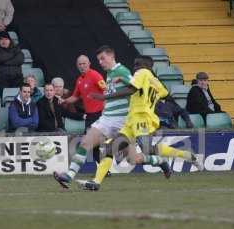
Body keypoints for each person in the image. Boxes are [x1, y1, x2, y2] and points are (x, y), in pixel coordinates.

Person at [78, 55, 203, 191]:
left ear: (145, 66)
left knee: (148, 150)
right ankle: (96, 182)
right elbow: (166, 95)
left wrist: (104, 97)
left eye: (137, 64)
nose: (135, 67)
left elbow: (133, 89)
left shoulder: (142, 72)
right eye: (135, 64)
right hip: (132, 120)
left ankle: (186, 156)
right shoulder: (155, 81)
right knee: (110, 148)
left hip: (142, 118)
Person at [53, 47, 130, 188]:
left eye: (102, 59)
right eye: (79, 64)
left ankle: (158, 160)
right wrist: (64, 101)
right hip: (102, 117)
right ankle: (69, 176)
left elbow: (128, 89)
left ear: (89, 64)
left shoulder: (97, 75)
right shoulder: (84, 79)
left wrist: (105, 105)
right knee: (85, 143)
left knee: (132, 157)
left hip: (106, 115)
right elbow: (76, 97)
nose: (100, 62)